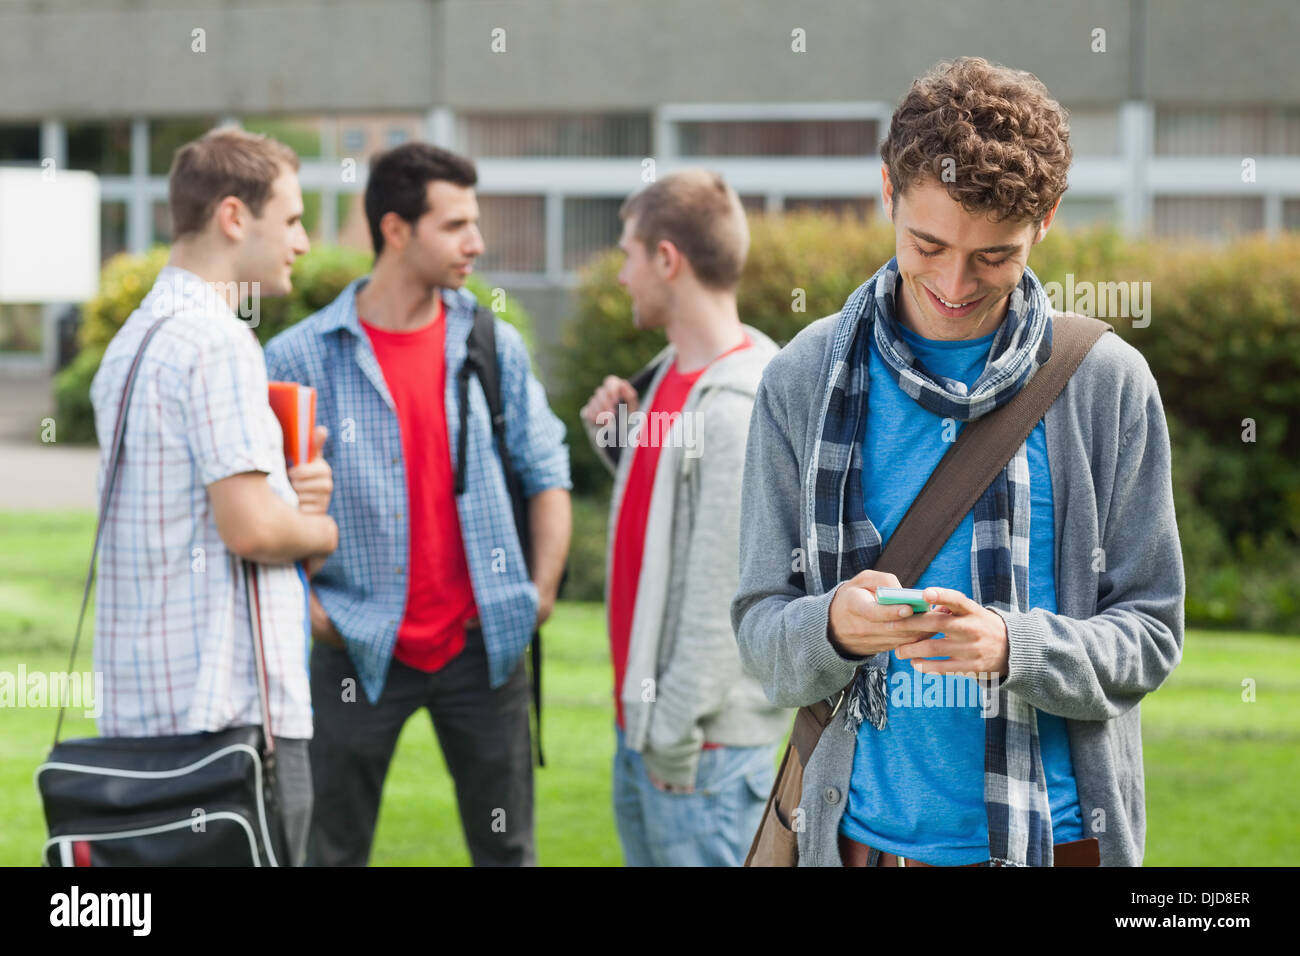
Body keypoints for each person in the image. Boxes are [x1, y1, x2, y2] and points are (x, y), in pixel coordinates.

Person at [731, 57, 1185, 867]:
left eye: (993, 256)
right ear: (887, 192)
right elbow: (762, 628)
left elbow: (1151, 632)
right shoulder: (801, 380)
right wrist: (831, 624)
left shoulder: (1106, 386)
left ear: (1045, 218)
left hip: (1060, 843)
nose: (953, 283)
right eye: (928, 244)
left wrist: (1019, 649)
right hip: (860, 844)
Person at [264, 142, 572, 867]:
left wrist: (542, 593)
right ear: (397, 230)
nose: (477, 243)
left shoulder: (492, 342)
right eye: (456, 224)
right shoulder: (299, 358)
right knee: (326, 853)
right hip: (355, 643)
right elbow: (263, 509)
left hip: (483, 646)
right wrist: (309, 608)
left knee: (507, 852)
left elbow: (545, 467)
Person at [89, 127, 338, 866]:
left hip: (142, 718)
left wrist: (289, 500)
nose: (303, 241)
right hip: (227, 721)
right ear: (235, 216)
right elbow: (254, 531)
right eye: (291, 219)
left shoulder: (132, 341)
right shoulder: (218, 341)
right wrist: (317, 528)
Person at [579, 170, 789, 866]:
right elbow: (676, 531)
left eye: (627, 254)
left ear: (667, 259)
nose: (621, 276)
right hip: (649, 733)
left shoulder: (735, 409)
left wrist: (670, 733)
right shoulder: (674, 376)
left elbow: (719, 600)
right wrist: (623, 448)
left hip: (702, 753)